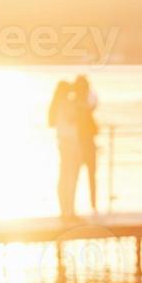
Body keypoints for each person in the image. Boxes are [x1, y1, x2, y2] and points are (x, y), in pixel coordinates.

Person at [49, 80, 80, 219]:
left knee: (64, 176)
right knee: (71, 176)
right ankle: (69, 210)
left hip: (62, 142)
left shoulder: (55, 104)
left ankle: (64, 209)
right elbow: (73, 118)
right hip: (70, 142)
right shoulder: (66, 103)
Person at [72, 75, 100, 214]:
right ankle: (71, 208)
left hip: (89, 143)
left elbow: (94, 101)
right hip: (76, 145)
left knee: (91, 175)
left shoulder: (87, 104)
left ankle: (93, 205)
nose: (82, 90)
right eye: (80, 87)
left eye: (85, 87)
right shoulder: (73, 103)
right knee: (74, 176)